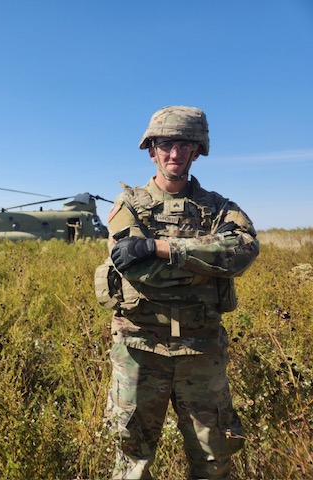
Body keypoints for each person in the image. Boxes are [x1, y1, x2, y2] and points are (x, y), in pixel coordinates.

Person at [95, 106, 260, 479]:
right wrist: (207, 259)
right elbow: (136, 270)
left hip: (201, 350)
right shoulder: (129, 205)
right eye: (166, 145)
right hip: (139, 348)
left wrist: (160, 247)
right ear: (152, 150)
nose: (174, 154)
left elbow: (244, 251)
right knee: (131, 462)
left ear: (197, 151)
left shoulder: (220, 208)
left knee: (214, 459)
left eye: (184, 145)